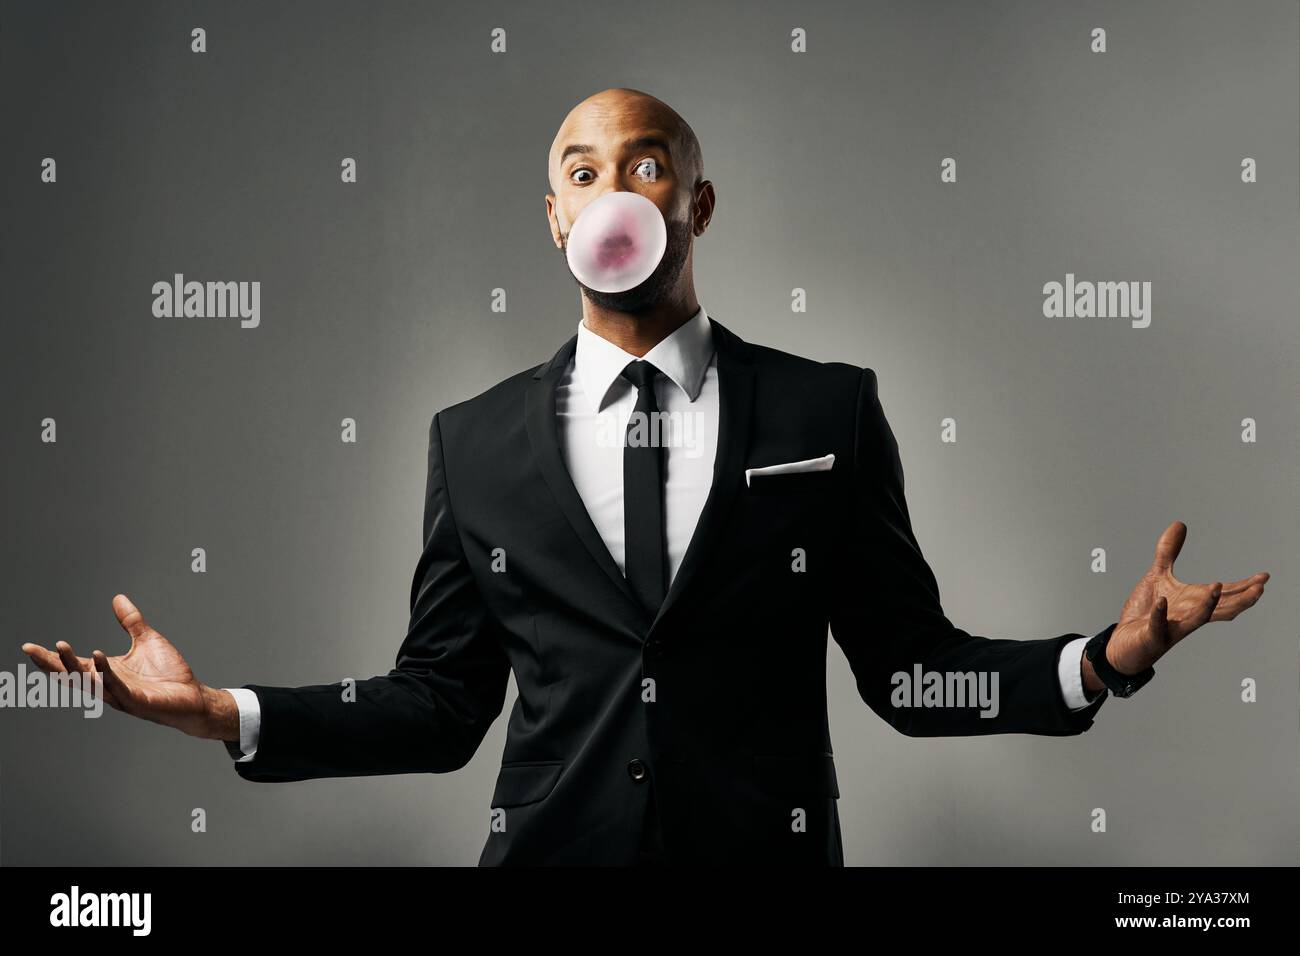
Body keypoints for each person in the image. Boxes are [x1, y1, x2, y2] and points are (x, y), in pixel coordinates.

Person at [21, 88, 1270, 866]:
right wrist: (222, 711)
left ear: (698, 202)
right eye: (580, 170)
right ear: (553, 220)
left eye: (644, 162)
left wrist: (1100, 658)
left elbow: (904, 668)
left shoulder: (824, 405)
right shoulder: (475, 439)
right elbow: (442, 703)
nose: (611, 187)